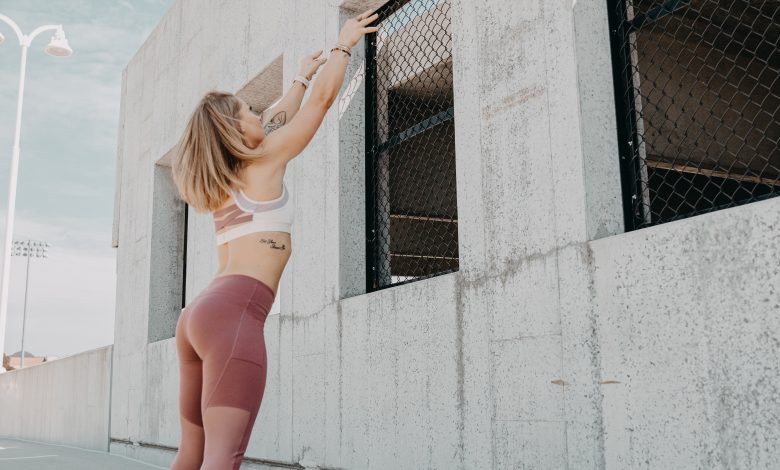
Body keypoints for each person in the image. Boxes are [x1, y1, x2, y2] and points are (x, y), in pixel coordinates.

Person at [168, 8, 379, 470]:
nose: (260, 113)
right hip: (234, 313)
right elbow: (322, 105)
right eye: (249, 111)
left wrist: (301, 78)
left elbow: (279, 117)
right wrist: (344, 45)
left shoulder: (224, 177)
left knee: (193, 452)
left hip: (198, 317)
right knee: (223, 458)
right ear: (236, 129)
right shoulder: (263, 162)